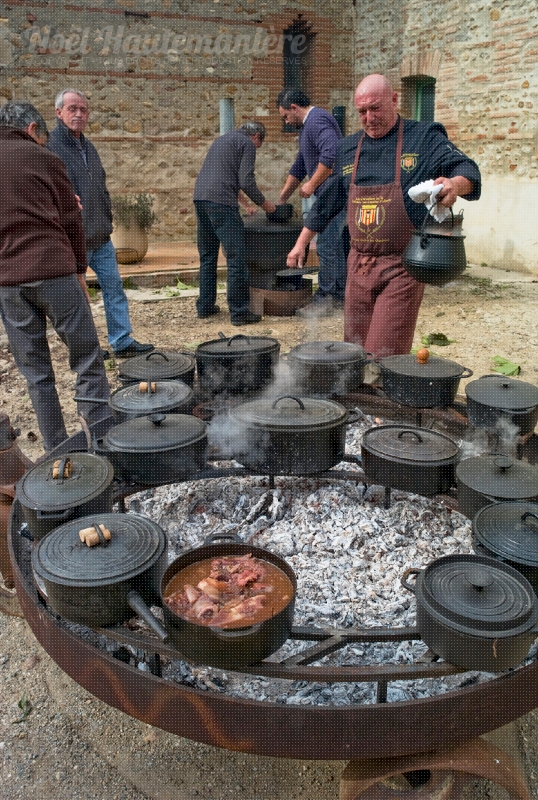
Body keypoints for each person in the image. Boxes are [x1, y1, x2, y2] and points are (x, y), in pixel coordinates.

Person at [287, 74, 481, 357]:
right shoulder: (347, 149)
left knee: (382, 355)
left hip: (401, 267)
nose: (369, 118)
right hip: (358, 266)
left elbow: (467, 169)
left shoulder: (423, 137)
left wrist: (455, 184)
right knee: (352, 354)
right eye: (362, 112)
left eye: (375, 108)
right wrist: (301, 242)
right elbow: (328, 201)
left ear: (394, 100)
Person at [0, 100, 111, 454]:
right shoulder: (46, 158)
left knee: (36, 373)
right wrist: (79, 269)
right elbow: (71, 219)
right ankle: (101, 444)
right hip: (54, 272)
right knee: (87, 359)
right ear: (32, 129)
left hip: (9, 282)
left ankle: (57, 452)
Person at [47, 88, 154, 358]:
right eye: (72, 109)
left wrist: (107, 219)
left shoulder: (88, 147)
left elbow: (100, 188)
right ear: (58, 112)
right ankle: (86, 349)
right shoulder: (50, 148)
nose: (79, 114)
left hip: (101, 237)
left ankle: (121, 341)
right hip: (73, 239)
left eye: (83, 109)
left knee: (114, 289)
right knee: (78, 299)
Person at [193, 121, 276, 326]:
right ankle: (239, 312)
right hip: (221, 203)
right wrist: (268, 206)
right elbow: (246, 181)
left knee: (208, 256)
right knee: (236, 258)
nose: (256, 148)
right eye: (259, 145)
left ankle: (205, 307)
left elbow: (228, 178)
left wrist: (246, 205)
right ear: (256, 136)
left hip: (201, 199)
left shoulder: (223, 140)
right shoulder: (246, 143)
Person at [277, 88, 347, 318]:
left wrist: (311, 184)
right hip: (329, 195)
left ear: (294, 108)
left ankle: (326, 299)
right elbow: (299, 165)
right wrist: (283, 197)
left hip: (334, 196)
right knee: (334, 246)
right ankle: (340, 296)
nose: (286, 122)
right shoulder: (308, 127)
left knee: (326, 246)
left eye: (285, 116)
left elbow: (332, 155)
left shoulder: (316, 121)